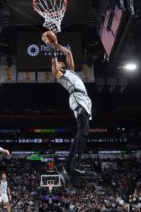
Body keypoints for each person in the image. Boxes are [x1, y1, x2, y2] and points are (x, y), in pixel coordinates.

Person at [42, 32, 92, 180]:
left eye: (58, 62)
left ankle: (67, 165)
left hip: (84, 99)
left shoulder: (70, 70)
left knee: (79, 135)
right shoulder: (57, 73)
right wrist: (49, 46)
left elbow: (68, 52)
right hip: (77, 97)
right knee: (83, 130)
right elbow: (53, 61)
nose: (57, 63)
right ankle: (76, 163)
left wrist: (57, 44)